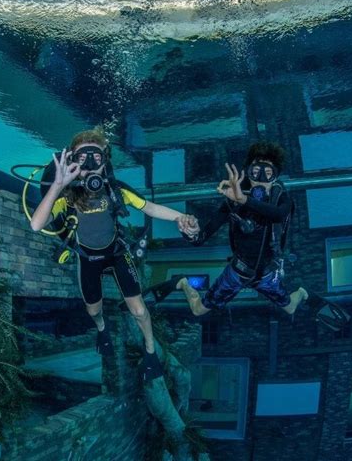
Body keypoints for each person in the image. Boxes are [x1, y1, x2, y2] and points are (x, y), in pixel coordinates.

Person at [30, 127, 194, 382]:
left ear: (104, 161)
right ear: (73, 162)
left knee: (139, 311)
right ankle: (101, 329)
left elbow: (150, 208)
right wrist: (58, 185)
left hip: (117, 254)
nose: (90, 165)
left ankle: (151, 353)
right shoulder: (67, 197)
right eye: (83, 159)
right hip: (88, 258)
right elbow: (36, 224)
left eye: (96, 158)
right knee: (93, 311)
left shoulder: (116, 191)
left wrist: (180, 217)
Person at [177, 141, 308, 316]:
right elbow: (200, 239)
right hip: (237, 272)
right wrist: (190, 232)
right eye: (256, 172)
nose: (261, 179)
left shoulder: (281, 199)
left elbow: (278, 215)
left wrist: (244, 200)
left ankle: (301, 292)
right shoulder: (234, 201)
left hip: (267, 274)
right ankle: (184, 283)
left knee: (290, 308)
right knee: (198, 310)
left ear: (276, 177)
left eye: (268, 174)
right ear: (247, 173)